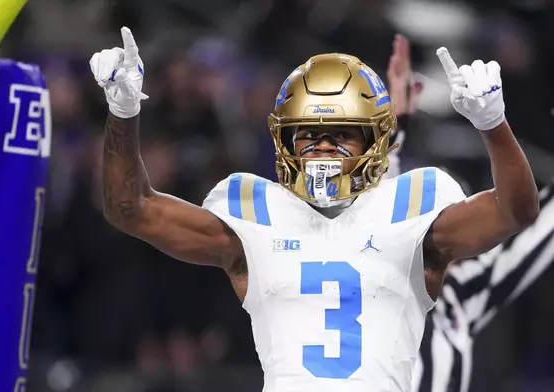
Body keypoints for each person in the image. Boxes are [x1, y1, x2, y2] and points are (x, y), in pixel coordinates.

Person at [89, 26, 539, 392]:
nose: (322, 148)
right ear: (284, 140)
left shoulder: (411, 206)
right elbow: (132, 209)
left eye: (341, 135)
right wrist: (123, 111)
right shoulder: (253, 214)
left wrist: (492, 123)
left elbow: (515, 212)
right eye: (307, 134)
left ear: (374, 141)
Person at [386, 34, 554, 392]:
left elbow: (527, 219)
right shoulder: (372, 264)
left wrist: (494, 124)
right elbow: (370, 214)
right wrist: (389, 135)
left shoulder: (463, 292)